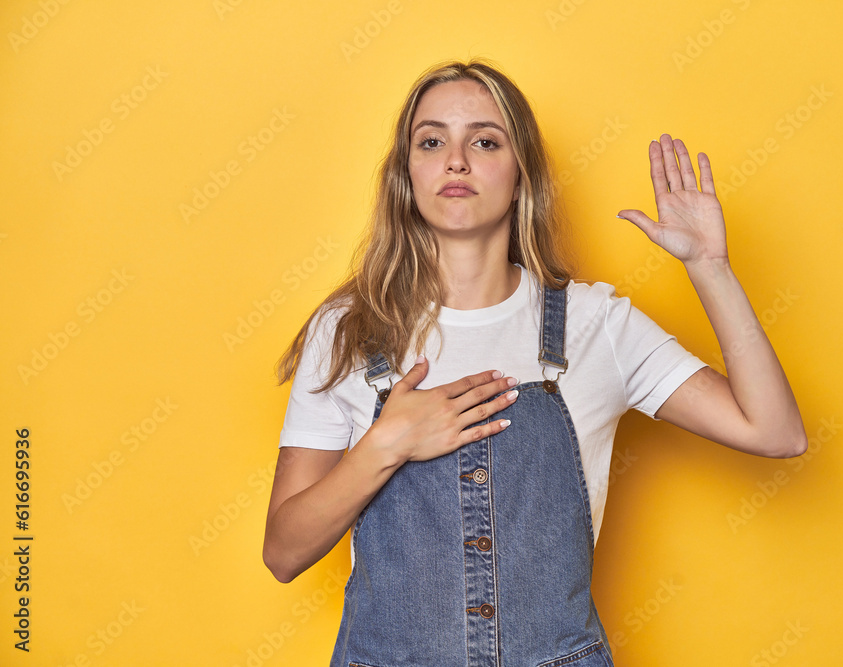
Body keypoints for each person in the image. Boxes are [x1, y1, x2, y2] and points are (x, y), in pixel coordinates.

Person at [263, 58, 807, 667]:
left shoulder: (595, 323)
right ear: (405, 175)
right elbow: (284, 553)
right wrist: (385, 444)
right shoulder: (348, 331)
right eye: (432, 140)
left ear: (522, 175)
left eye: (485, 141)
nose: (457, 160)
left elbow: (776, 432)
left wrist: (710, 269)